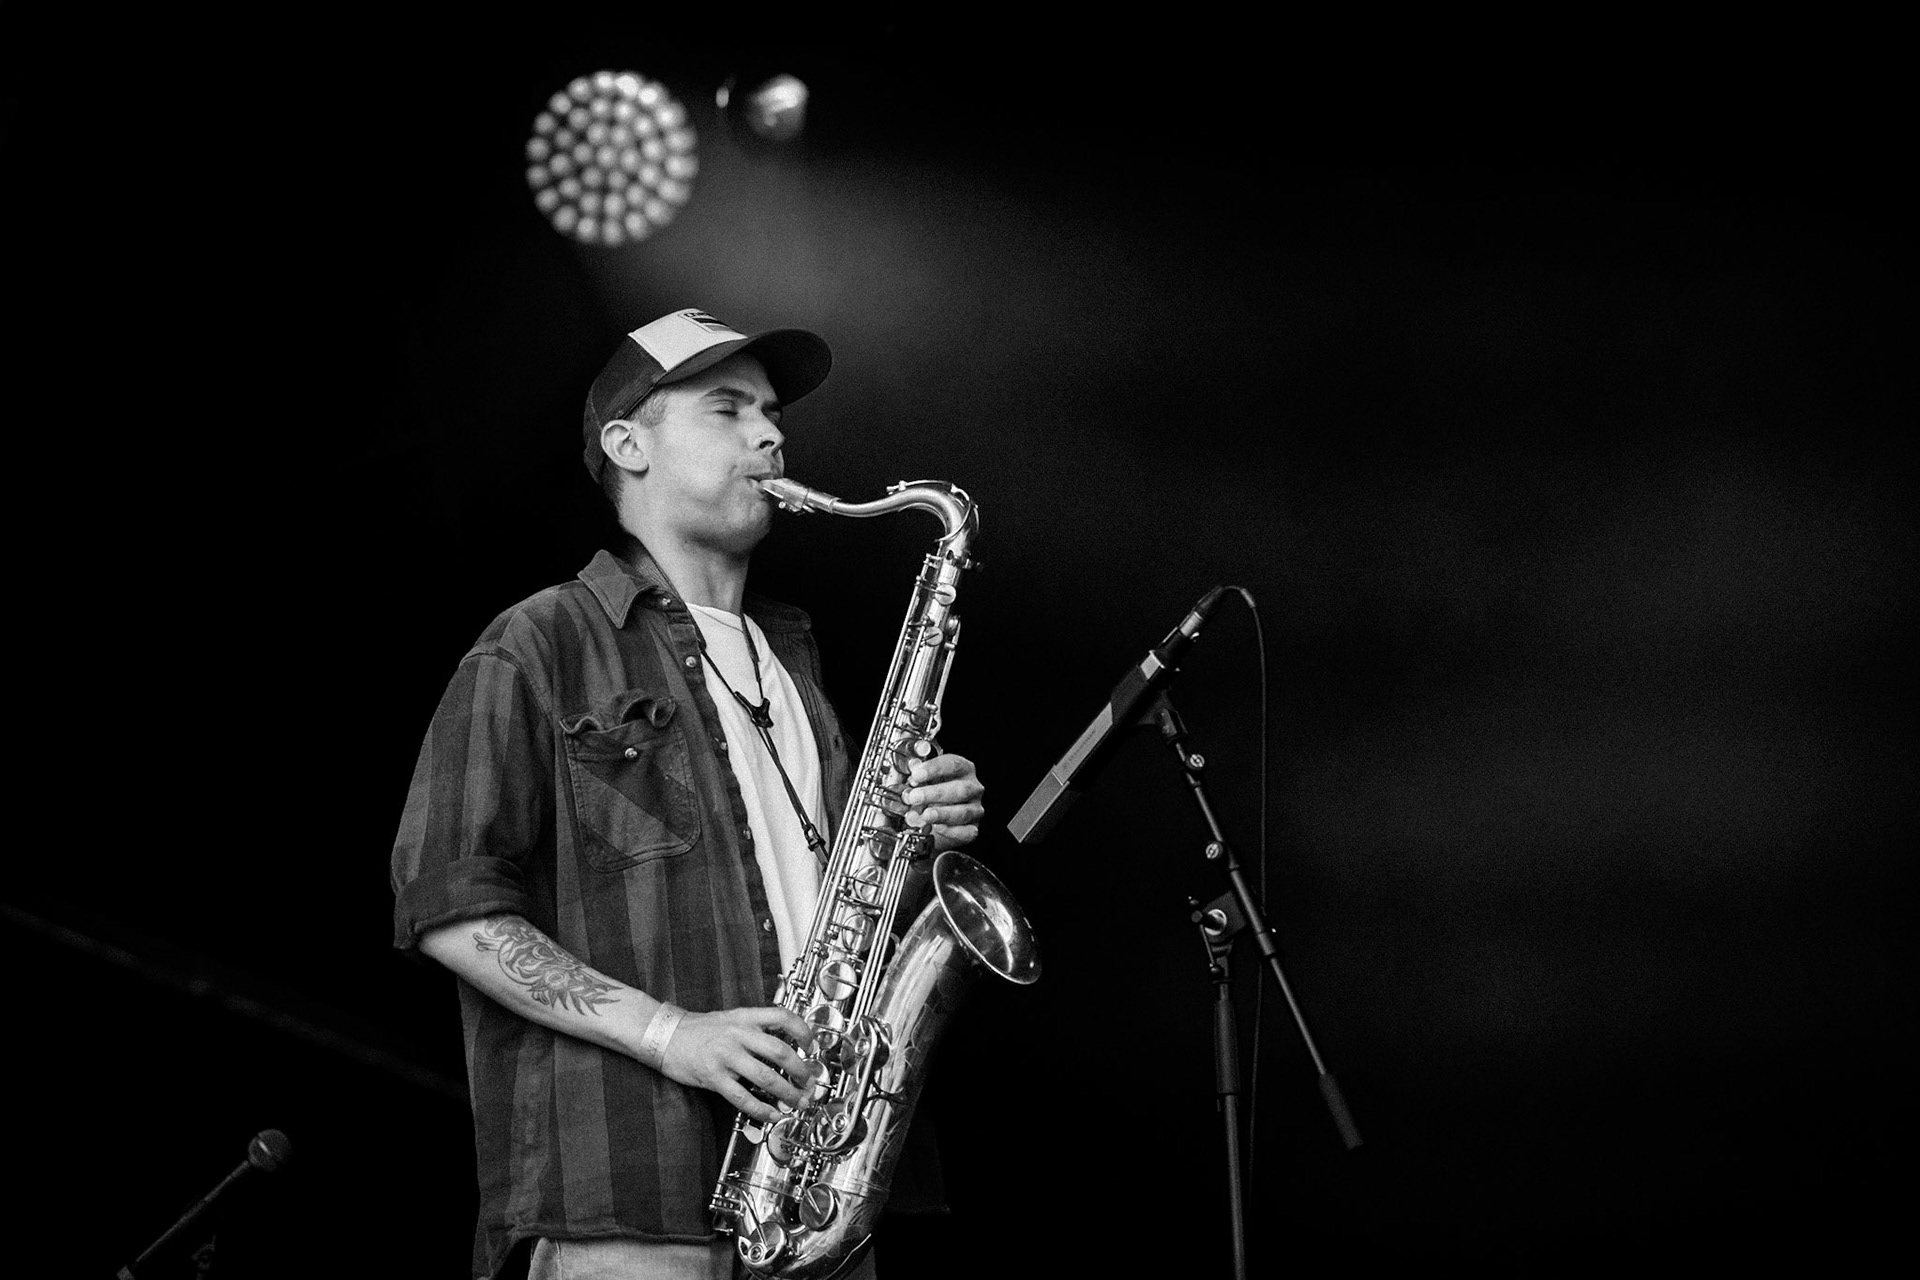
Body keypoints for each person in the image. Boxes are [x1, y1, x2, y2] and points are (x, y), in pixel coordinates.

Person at [390, 308, 987, 1280]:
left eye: (771, 412)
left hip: (824, 1193)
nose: (771, 434)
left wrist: (919, 838)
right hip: (630, 1196)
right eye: (728, 408)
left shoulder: (794, 665)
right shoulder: (538, 642)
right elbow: (446, 905)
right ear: (629, 443)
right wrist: (674, 1034)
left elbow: (849, 920)